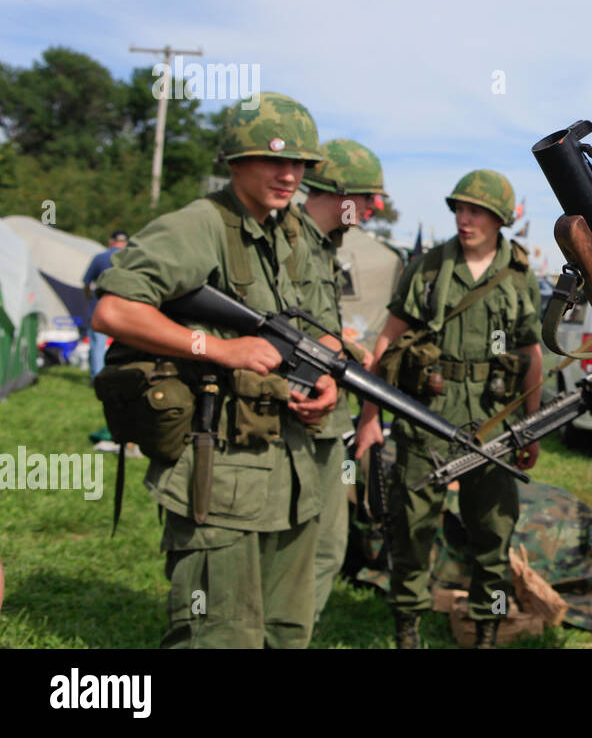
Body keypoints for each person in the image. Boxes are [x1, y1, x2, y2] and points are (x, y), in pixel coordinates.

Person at [92, 92, 338, 648]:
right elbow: (114, 309)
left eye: (298, 163)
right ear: (235, 161)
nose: (288, 174)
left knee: (286, 633)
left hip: (292, 475)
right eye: (273, 159)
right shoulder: (199, 224)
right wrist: (219, 349)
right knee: (219, 636)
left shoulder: (289, 231)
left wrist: (325, 377)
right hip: (219, 473)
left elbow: (319, 328)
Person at [354, 169, 543, 648]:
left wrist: (533, 427)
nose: (464, 218)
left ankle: (485, 629)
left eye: (476, 210)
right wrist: (370, 417)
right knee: (411, 526)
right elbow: (389, 339)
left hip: (494, 420)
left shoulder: (519, 276)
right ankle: (408, 626)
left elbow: (530, 355)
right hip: (426, 415)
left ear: (500, 218)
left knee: (492, 533)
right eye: (459, 208)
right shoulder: (430, 267)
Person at [292, 138, 388, 623]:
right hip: (291, 419)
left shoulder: (324, 247)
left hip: (325, 418)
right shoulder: (287, 241)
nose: (375, 207)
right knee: (297, 551)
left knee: (327, 547)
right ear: (342, 192)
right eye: (368, 197)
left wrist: (346, 348)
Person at [82, 230, 128, 377]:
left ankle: (97, 377)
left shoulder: (100, 258)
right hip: (126, 306)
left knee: (97, 344)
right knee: (127, 343)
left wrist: (90, 297)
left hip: (101, 305)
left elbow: (86, 283)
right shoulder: (131, 258)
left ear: (111, 241)